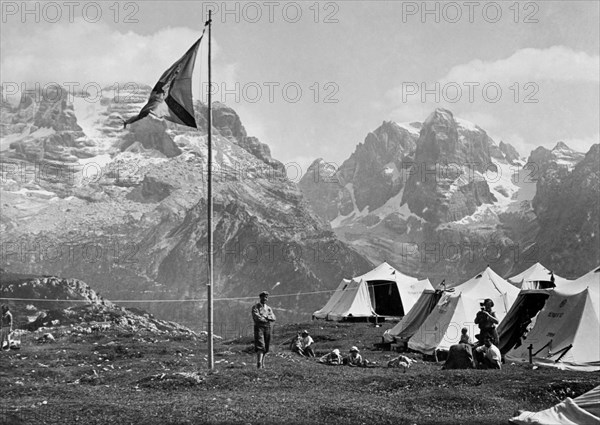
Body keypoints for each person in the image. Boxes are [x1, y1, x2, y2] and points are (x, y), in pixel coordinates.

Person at [252, 291, 276, 369]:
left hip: (267, 327)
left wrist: (266, 317)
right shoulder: (256, 307)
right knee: (260, 345)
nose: (265, 298)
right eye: (263, 297)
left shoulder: (269, 308)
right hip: (259, 327)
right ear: (260, 298)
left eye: (266, 297)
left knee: (266, 345)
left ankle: (263, 363)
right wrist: (266, 318)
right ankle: (259, 363)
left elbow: (273, 317)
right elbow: (257, 317)